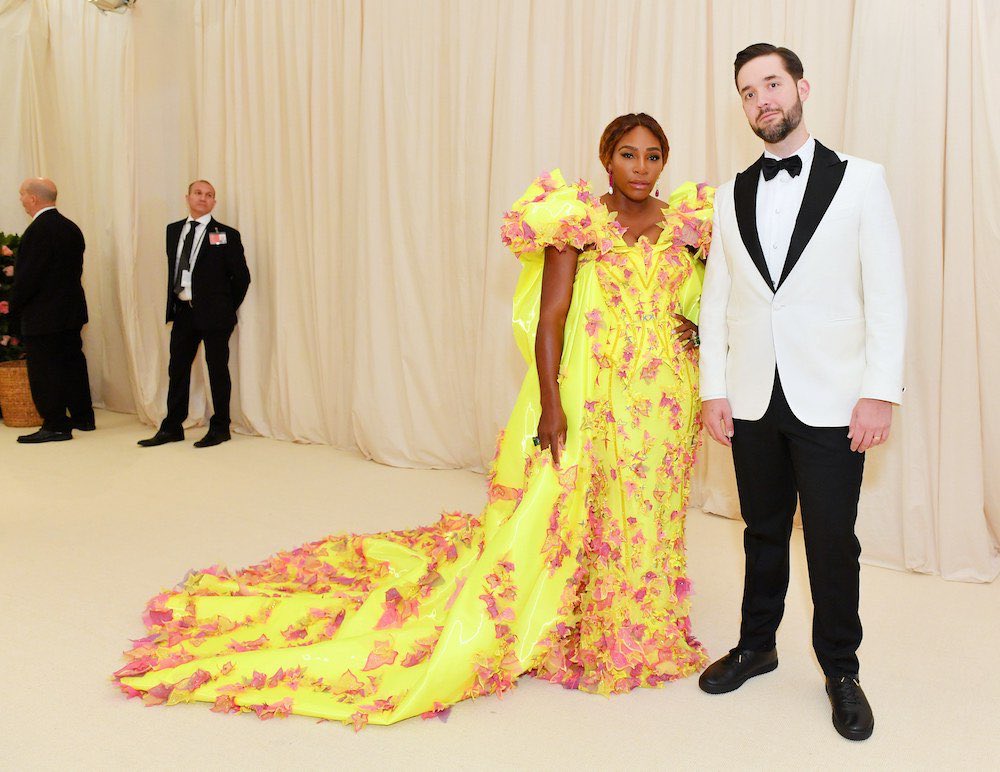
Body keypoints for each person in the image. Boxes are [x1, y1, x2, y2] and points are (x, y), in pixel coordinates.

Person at [114, 114, 714, 728]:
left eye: (653, 156)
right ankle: (593, 620)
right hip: (595, 392)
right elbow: (551, 318)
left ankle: (647, 618)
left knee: (651, 505)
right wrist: (552, 404)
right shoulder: (575, 222)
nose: (641, 168)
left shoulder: (687, 224)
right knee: (589, 503)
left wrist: (701, 331)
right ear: (606, 159)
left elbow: (723, 296)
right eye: (628, 154)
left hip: (665, 394)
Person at [696, 44, 906, 742]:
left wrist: (879, 391)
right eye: (748, 91)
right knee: (760, 531)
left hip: (834, 396)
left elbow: (886, 294)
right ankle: (757, 645)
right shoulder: (729, 194)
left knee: (831, 540)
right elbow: (717, 299)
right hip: (752, 396)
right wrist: (714, 389)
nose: (762, 99)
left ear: (801, 88)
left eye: (772, 84)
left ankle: (841, 669)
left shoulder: (862, 181)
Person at [138, 180, 251, 449]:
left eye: (209, 195)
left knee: (217, 369)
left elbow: (242, 278)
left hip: (215, 315)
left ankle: (220, 427)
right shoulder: (173, 230)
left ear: (214, 202)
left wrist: (225, 307)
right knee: (177, 369)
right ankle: (172, 427)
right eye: (198, 193)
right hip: (183, 312)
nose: (203, 198)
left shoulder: (226, 234)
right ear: (187, 197)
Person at [9, 178, 94, 443]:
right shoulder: (71, 227)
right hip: (71, 311)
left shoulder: (37, 231)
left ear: (33, 198)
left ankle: (55, 424)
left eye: (22, 194)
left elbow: (28, 279)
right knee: (72, 362)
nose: (21, 199)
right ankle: (83, 417)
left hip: (43, 314)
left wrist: (14, 312)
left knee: (45, 369)